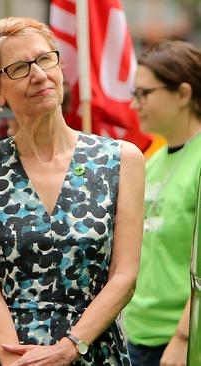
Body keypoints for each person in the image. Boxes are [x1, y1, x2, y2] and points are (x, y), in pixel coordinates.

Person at [0, 17, 144, 365]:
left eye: (46, 59)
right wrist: (14, 359)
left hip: (91, 349)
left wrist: (68, 348)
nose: (39, 74)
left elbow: (124, 276)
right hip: (7, 351)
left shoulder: (122, 159)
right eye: (20, 68)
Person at [123, 40, 201, 366]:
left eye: (145, 94)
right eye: (134, 94)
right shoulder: (149, 163)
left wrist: (183, 337)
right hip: (137, 336)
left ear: (183, 94)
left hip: (183, 341)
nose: (135, 105)